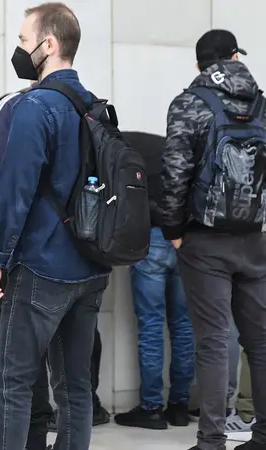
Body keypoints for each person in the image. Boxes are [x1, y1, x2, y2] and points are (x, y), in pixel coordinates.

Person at [0, 3, 111, 450]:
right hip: (91, 266)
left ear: (48, 45)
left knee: (12, 385)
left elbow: (12, 190)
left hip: (41, 267)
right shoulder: (96, 108)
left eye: (23, 40)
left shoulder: (34, 106)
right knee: (75, 388)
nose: (19, 48)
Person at [162, 29, 266, 450]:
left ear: (199, 65)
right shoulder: (261, 104)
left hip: (204, 240)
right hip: (255, 238)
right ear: (236, 57)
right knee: (260, 342)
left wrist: (173, 230)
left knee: (212, 341)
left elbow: (175, 172)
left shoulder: (189, 103)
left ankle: (211, 442)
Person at [0, 85, 54, 450]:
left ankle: (30, 441)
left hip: (25, 254)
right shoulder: (85, 106)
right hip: (78, 257)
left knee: (15, 376)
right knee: (74, 385)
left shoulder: (15, 105)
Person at [114, 132, 195, 430]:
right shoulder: (170, 148)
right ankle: (180, 407)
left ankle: (151, 409)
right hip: (186, 239)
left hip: (153, 240)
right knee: (184, 326)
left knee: (150, 325)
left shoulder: (121, 150)